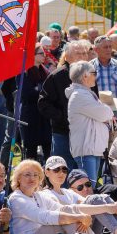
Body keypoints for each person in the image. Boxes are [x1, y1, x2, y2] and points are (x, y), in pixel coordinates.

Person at [38, 40, 92, 168]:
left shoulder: (90, 75)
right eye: (78, 53)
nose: (82, 56)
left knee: (85, 172)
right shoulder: (56, 76)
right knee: (63, 170)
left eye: (84, 53)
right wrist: (62, 116)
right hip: (63, 132)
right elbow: (43, 103)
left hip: (86, 133)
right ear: (67, 57)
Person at [66, 60, 116, 180]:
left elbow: (103, 115)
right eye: (94, 73)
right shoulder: (79, 95)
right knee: (87, 189)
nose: (96, 76)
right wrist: (107, 111)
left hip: (92, 149)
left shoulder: (86, 94)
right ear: (85, 76)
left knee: (91, 188)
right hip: (86, 150)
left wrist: (105, 114)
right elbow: (105, 113)